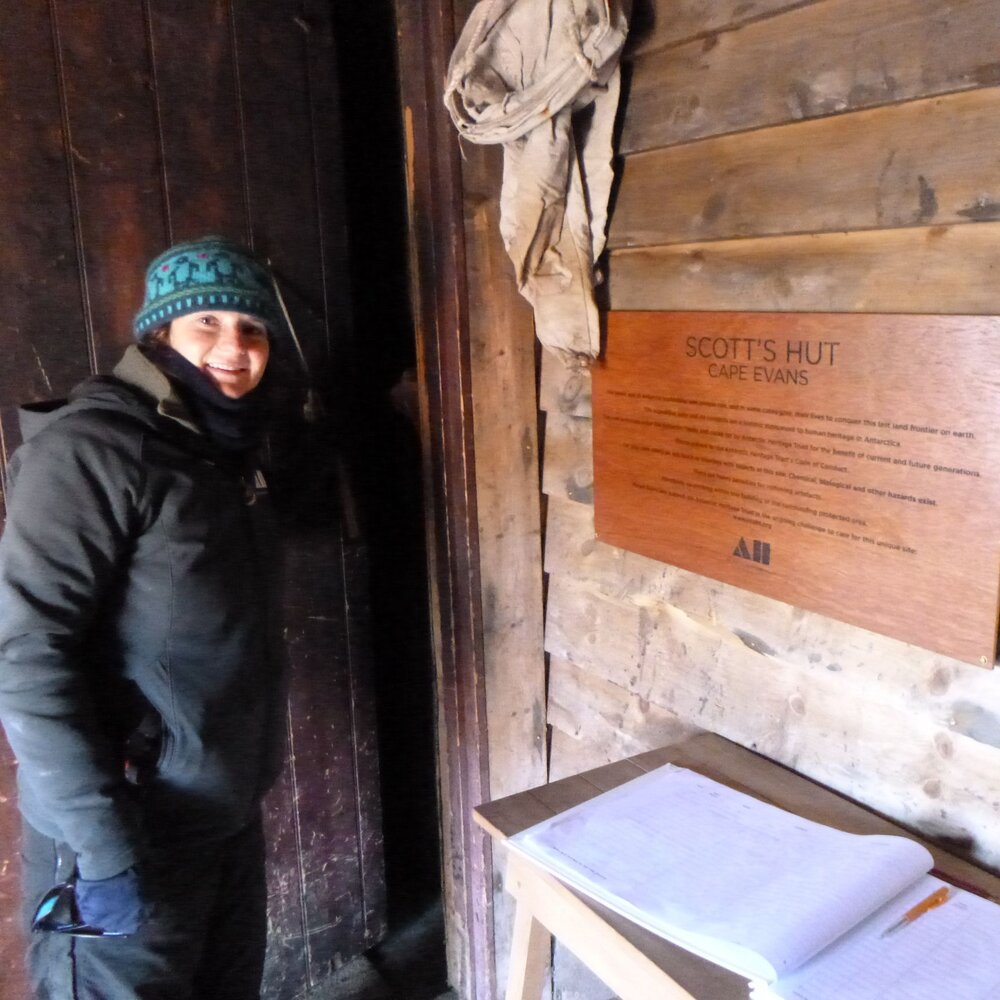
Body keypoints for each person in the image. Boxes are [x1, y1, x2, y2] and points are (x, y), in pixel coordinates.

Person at [0, 236, 294, 999]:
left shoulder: (224, 452)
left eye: (252, 328)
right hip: (127, 833)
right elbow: (27, 656)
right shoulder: (92, 451)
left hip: (223, 818)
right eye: (207, 323)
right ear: (159, 334)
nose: (235, 347)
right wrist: (104, 852)